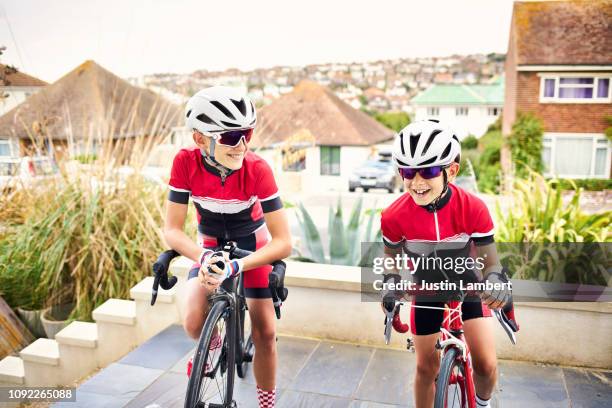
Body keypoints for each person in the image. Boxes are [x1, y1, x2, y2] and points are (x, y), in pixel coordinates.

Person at [163, 86, 292, 408]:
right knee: (194, 323)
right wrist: (205, 257)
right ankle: (214, 339)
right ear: (199, 139)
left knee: (264, 333)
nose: (243, 145)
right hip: (209, 245)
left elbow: (283, 242)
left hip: (253, 245)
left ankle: (266, 403)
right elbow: (172, 230)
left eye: (247, 133)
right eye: (231, 137)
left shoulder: (257, 168)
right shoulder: (184, 163)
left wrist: (235, 266)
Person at [380, 120, 514, 408]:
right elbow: (390, 260)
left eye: (427, 171)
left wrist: (495, 281)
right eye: (407, 171)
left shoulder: (474, 208)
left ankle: (482, 403)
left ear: (451, 171)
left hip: (469, 286)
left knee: (487, 366)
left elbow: (491, 262)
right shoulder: (393, 216)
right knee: (425, 369)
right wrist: (389, 284)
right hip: (426, 288)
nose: (416, 182)